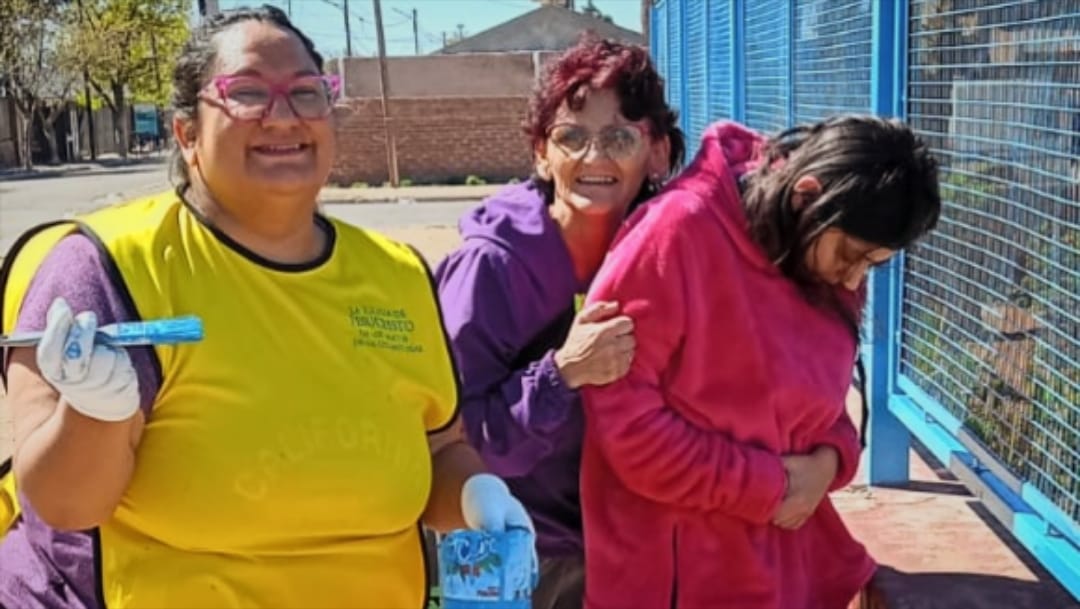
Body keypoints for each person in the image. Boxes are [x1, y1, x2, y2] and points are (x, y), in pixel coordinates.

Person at [0, 7, 531, 608]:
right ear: (187, 134)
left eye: (306, 92)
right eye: (247, 93)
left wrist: (478, 495)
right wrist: (94, 412)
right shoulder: (109, 266)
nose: (283, 116)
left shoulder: (398, 275)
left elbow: (435, 449)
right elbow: (66, 506)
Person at [580, 116, 941, 608]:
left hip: (780, 564)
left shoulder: (821, 253)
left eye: (872, 265)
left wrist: (829, 461)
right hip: (677, 572)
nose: (854, 280)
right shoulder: (675, 233)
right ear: (805, 196)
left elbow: (820, 400)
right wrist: (768, 485)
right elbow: (626, 427)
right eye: (851, 255)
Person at [434, 37, 684, 609]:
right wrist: (562, 374)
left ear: (658, 152)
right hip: (524, 549)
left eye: (620, 138)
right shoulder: (490, 268)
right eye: (571, 137)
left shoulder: (672, 259)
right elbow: (456, 442)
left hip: (638, 541)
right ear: (541, 154)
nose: (594, 157)